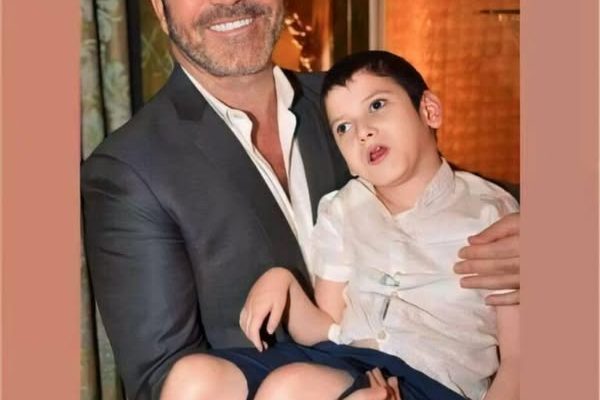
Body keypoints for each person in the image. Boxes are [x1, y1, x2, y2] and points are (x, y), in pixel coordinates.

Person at [81, 0, 521, 399]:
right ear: (160, 9)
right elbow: (163, 381)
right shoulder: (129, 169)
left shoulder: (346, 102)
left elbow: (448, 192)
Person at [240, 51, 519, 400]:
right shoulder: (341, 210)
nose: (363, 132)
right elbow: (327, 332)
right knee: (197, 377)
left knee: (289, 388)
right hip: (350, 364)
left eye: (376, 106)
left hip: (434, 386)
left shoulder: (492, 213)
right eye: (343, 127)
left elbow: (518, 363)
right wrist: (282, 282)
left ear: (429, 111)